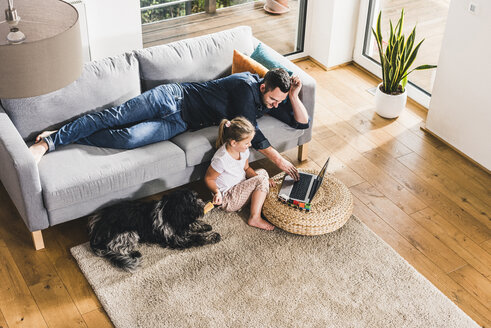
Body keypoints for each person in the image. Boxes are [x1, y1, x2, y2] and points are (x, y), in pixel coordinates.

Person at [29, 68, 309, 180]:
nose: (274, 106)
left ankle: (68, 134)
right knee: (113, 117)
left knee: (127, 140)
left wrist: (293, 96)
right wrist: (280, 161)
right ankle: (48, 142)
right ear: (263, 86)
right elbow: (253, 130)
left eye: (278, 102)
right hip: (172, 98)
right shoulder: (244, 87)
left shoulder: (276, 96)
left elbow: (301, 124)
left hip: (181, 122)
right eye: (272, 100)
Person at [204, 117, 275, 230]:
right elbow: (209, 179)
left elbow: (246, 168)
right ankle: (254, 218)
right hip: (228, 198)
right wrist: (216, 192)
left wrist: (262, 178)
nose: (250, 145)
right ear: (233, 143)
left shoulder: (243, 150)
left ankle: (259, 198)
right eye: (247, 143)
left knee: (263, 172)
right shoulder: (221, 159)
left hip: (239, 186)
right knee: (261, 179)